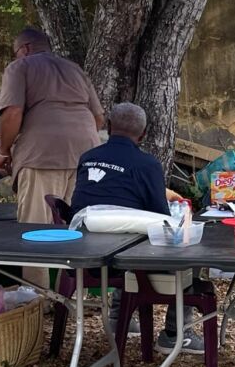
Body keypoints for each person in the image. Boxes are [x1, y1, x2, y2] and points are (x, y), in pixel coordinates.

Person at [69, 103, 208, 354]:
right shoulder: (147, 164)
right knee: (190, 253)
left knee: (124, 236)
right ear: (143, 135)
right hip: (129, 260)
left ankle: (118, 316)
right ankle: (176, 333)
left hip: (82, 252)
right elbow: (162, 218)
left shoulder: (87, 158)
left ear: (109, 126)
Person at [0, 26, 105, 285]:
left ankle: (37, 296)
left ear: (24, 49)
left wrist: (3, 150)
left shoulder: (20, 67)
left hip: (42, 156)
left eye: (15, 52)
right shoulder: (74, 69)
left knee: (35, 230)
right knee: (73, 229)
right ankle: (68, 294)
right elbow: (98, 118)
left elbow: (12, 112)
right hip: (86, 155)